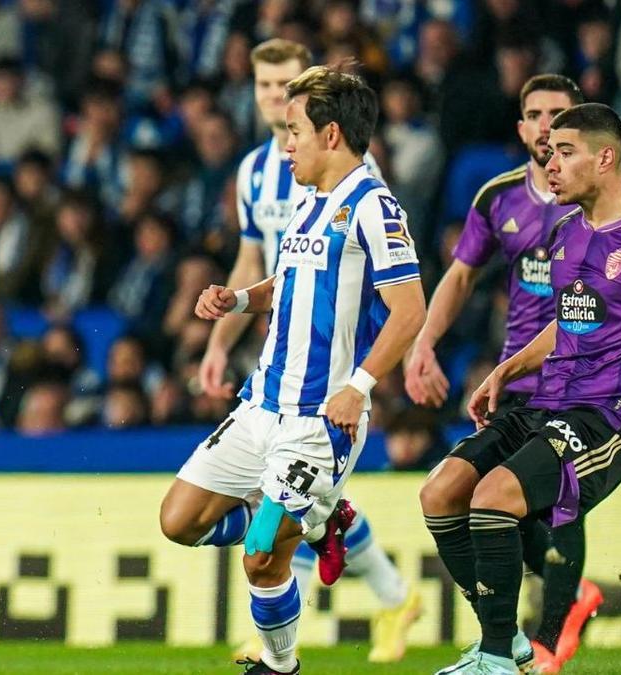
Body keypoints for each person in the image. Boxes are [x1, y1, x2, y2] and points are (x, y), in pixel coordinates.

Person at [406, 74, 621, 673]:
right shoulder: (505, 201)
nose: (547, 130)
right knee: (459, 497)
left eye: (560, 121)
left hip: (597, 397)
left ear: (593, 142)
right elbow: (463, 277)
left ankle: (537, 633)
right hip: (525, 387)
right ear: (522, 128)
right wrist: (429, 344)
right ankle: (518, 627)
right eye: (536, 117)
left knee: (527, 503)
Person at [166, 66, 426, 675]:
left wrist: (358, 387)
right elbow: (287, 285)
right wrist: (238, 299)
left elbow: (409, 309)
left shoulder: (375, 207)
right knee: (178, 523)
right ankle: (318, 520)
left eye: (294, 131)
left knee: (260, 554)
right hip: (262, 403)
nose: (285, 145)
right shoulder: (309, 202)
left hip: (319, 419)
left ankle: (280, 665)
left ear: (331, 135)